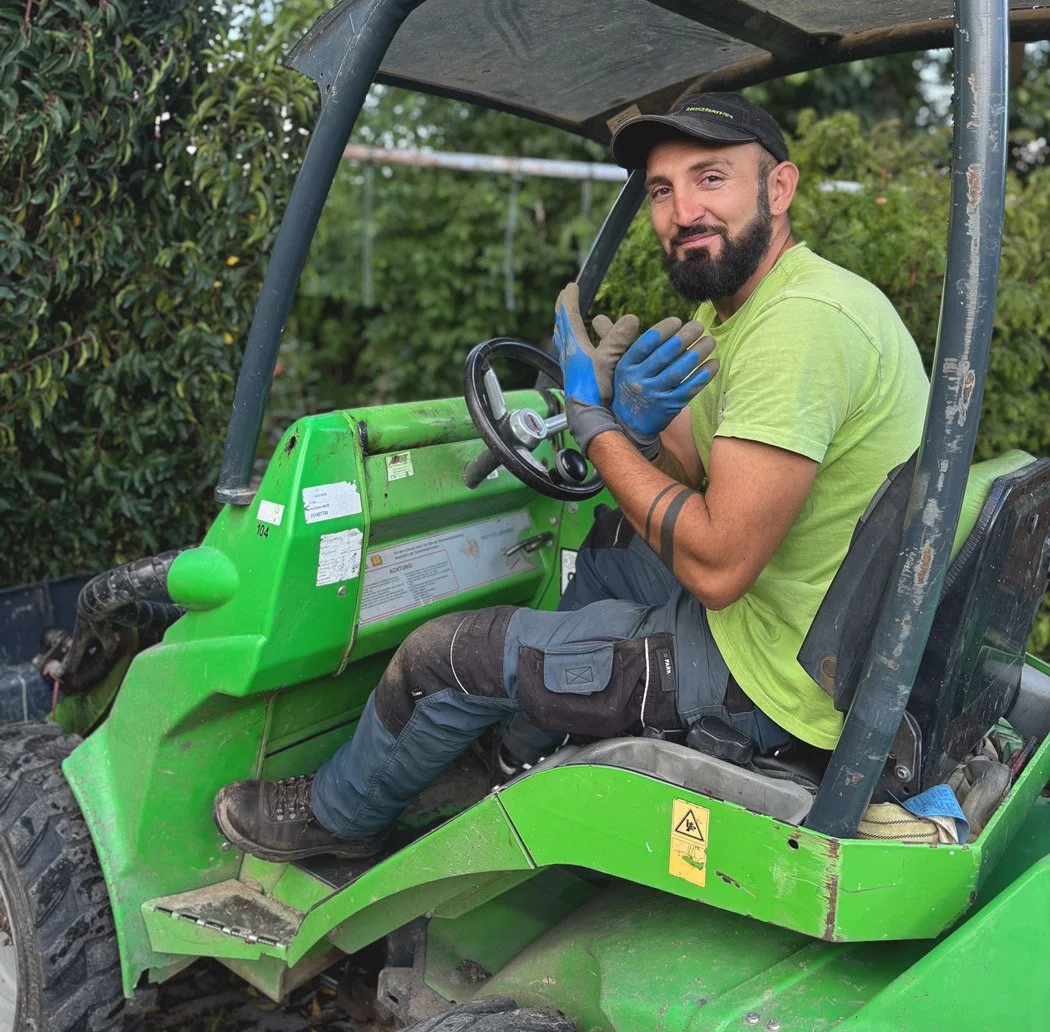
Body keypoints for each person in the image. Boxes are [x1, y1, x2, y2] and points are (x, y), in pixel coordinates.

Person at [213, 90, 929, 865]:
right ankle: (515, 754)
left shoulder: (802, 329)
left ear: (778, 189)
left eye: (711, 179)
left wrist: (594, 425)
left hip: (767, 683)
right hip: (810, 631)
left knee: (442, 657)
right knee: (612, 547)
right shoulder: (756, 310)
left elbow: (719, 566)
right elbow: (685, 472)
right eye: (662, 189)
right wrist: (635, 428)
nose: (683, 210)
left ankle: (341, 818)